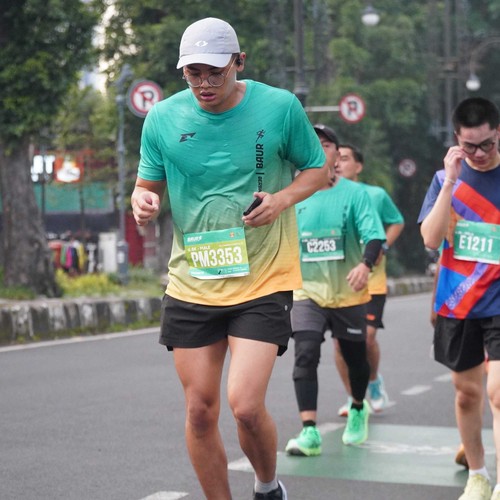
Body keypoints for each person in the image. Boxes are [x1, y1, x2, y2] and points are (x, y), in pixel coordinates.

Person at [130, 17, 328, 500]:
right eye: (193, 73)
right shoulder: (162, 119)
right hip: (193, 278)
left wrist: (281, 200)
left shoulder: (279, 107)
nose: (204, 83)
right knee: (200, 410)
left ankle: (267, 486)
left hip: (263, 277)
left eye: (215, 72)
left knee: (244, 405)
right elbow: (146, 186)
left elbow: (317, 171)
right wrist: (142, 202)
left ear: (239, 62)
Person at [285, 124, 386, 456]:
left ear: (337, 156)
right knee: (305, 353)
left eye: (326, 144)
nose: (318, 148)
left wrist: (365, 265)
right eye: (311, 143)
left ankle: (358, 406)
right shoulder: (290, 193)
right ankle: (309, 430)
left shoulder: (355, 194)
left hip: (348, 292)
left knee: (356, 357)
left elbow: (374, 236)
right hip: (307, 292)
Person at [418, 96, 500, 500]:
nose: (479, 153)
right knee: (467, 394)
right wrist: (451, 181)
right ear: (456, 140)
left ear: (498, 134)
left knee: (498, 390)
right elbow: (431, 239)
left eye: (487, 144)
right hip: (458, 301)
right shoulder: (443, 180)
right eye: (470, 146)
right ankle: (478, 475)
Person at [333, 144, 405, 416]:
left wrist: (382, 247)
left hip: (372, 280)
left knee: (367, 339)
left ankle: (373, 382)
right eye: (335, 158)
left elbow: (397, 221)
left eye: (345, 158)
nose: (338, 163)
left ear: (358, 166)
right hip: (340, 282)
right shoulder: (323, 193)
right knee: (340, 343)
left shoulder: (375, 194)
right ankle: (355, 399)